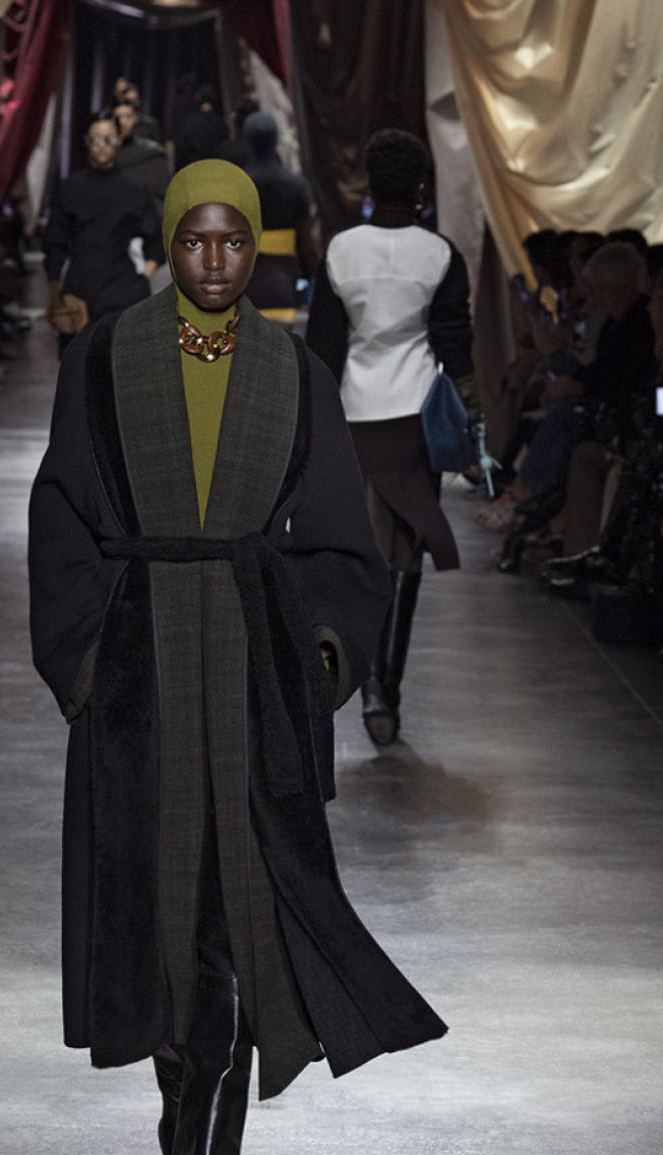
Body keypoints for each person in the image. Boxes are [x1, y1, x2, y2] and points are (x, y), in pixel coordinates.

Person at [28, 160, 447, 1155]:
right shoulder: (104, 359)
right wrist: (80, 661)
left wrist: (319, 663)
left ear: (251, 246)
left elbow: (337, 539)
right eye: (194, 241)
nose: (214, 261)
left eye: (232, 242)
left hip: (254, 688)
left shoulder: (291, 372)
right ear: (167, 245)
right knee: (157, 940)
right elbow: (61, 508)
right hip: (138, 686)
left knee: (225, 945)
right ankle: (185, 1142)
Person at [306, 128, 475, 746]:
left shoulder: (341, 251)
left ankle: (364, 677)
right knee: (406, 555)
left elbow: (324, 348)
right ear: (422, 187)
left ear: (369, 187)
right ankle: (384, 690)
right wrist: (474, 420)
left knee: (360, 554)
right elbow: (455, 344)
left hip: (353, 416)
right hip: (416, 421)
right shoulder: (441, 255)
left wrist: (312, 427)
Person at [43, 111, 163, 354]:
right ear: (87, 141)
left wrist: (144, 277)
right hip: (80, 290)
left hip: (125, 289)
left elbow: (156, 238)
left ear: (118, 140)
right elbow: (54, 243)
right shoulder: (70, 188)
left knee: (124, 364)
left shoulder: (135, 188)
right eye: (96, 139)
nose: (102, 146)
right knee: (77, 366)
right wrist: (56, 296)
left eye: (109, 139)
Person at [241, 111, 318, 321]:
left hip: (246, 288)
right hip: (286, 285)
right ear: (275, 141)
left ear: (247, 141)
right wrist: (311, 279)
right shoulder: (296, 185)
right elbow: (306, 244)